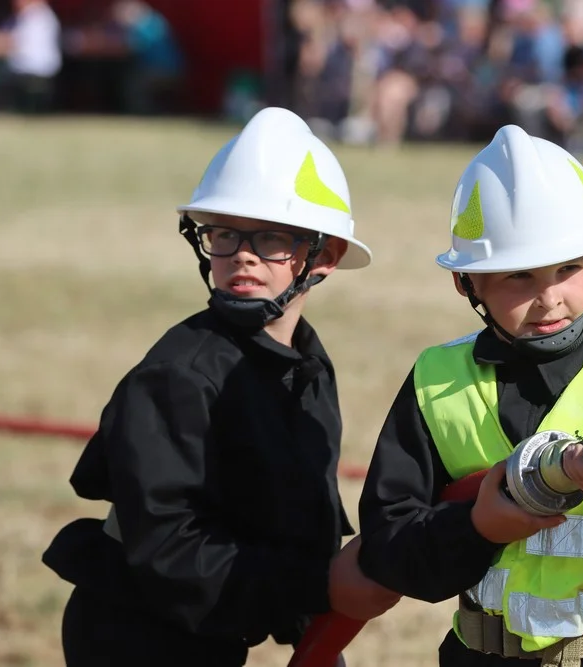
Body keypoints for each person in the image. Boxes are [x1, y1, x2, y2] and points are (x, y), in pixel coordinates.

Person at [42, 107, 397, 667]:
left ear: (323, 257)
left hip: (213, 624)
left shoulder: (306, 366)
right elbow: (168, 544)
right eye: (225, 235)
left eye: (271, 239)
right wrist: (318, 586)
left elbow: (305, 514)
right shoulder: (178, 374)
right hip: (134, 634)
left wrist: (317, 635)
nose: (243, 256)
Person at [351, 125, 583, 667]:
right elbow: (390, 553)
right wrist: (477, 528)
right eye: (518, 277)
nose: (549, 299)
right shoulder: (436, 379)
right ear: (468, 283)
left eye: (570, 268)